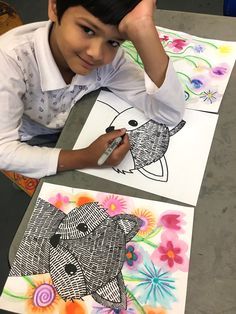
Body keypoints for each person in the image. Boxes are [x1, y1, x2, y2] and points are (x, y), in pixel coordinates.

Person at [0, 0, 185, 179]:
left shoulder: (110, 63)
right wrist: (86, 158)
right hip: (31, 136)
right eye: (87, 30)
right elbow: (4, 151)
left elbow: (169, 114)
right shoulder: (10, 61)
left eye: (113, 42)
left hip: (73, 124)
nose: (96, 53)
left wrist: (144, 28)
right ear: (54, 6)